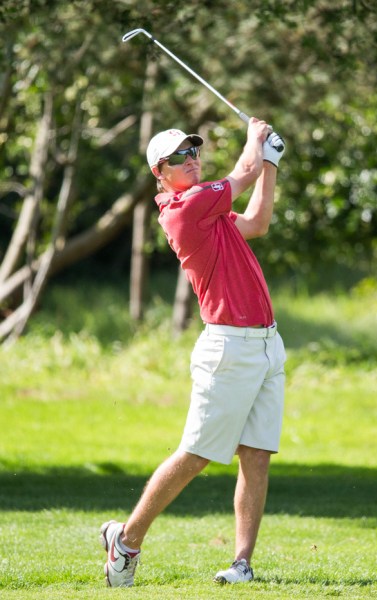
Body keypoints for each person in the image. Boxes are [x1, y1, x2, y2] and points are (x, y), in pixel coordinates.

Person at [100, 118, 286, 587]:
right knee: (197, 453)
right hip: (228, 347)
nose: (193, 160)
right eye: (182, 157)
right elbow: (240, 172)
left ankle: (242, 564)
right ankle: (127, 539)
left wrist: (271, 165)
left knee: (257, 454)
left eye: (195, 152)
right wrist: (256, 142)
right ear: (160, 172)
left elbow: (259, 224)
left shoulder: (209, 209)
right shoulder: (185, 208)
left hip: (266, 343)